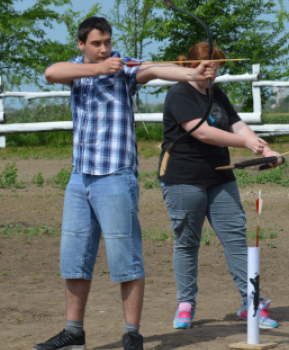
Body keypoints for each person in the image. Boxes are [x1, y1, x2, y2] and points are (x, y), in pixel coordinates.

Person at [33, 18, 215, 350]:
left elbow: (155, 70)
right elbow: (51, 73)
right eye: (96, 43)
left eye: (107, 42)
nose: (104, 48)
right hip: (80, 177)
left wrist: (191, 73)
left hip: (116, 176)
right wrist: (99, 68)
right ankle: (74, 332)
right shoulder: (79, 68)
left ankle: (132, 333)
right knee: (74, 258)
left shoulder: (124, 67)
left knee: (125, 258)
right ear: (82, 45)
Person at [158, 42, 281, 332]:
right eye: (207, 70)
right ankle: (185, 305)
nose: (212, 77)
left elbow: (237, 126)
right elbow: (203, 132)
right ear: (190, 66)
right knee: (187, 243)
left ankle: (252, 303)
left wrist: (264, 150)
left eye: (216, 71)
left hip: (220, 177)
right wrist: (247, 144)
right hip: (183, 178)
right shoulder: (178, 93)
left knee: (236, 240)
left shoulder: (217, 94)